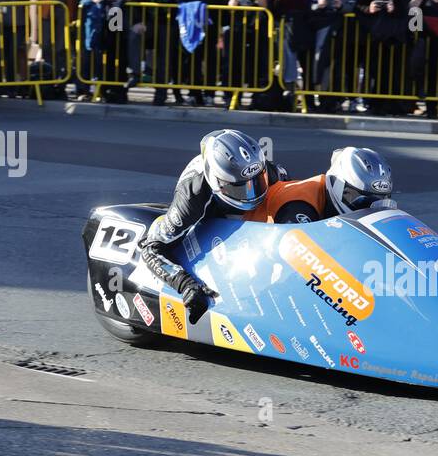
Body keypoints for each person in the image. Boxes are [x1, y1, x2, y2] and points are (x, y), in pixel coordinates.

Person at [138, 129, 275, 322]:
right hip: (210, 212)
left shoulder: (263, 169)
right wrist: (186, 285)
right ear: (216, 181)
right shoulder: (191, 199)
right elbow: (151, 249)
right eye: (240, 187)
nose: (250, 194)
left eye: (257, 182)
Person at [245, 146, 395, 224]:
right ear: (339, 185)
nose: (370, 207)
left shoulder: (329, 194)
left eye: (380, 199)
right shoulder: (300, 206)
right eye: (363, 200)